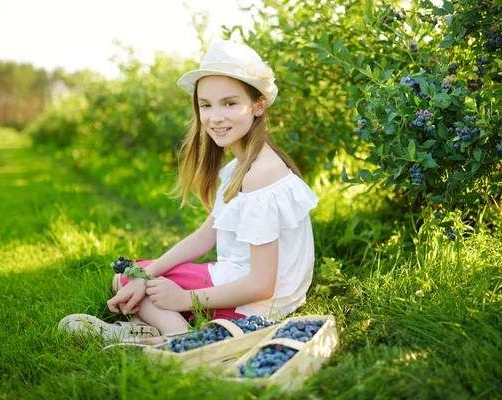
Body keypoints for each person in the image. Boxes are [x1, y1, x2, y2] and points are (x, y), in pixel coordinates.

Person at [59, 40, 319, 342]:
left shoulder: (259, 175)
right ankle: (152, 328)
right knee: (135, 276)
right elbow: (206, 235)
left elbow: (262, 285)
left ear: (259, 105)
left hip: (252, 305)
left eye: (230, 103)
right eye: (206, 105)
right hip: (249, 290)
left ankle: (178, 338)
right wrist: (148, 276)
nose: (215, 117)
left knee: (125, 279)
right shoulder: (245, 165)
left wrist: (185, 300)